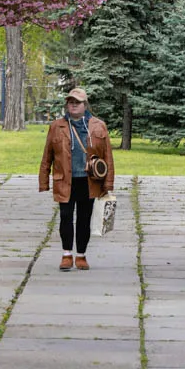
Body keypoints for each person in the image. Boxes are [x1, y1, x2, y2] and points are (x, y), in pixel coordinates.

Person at [38, 87, 116, 272]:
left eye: (77, 102)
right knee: (65, 217)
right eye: (70, 102)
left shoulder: (98, 126)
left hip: (89, 181)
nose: (73, 105)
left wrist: (108, 183)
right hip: (64, 179)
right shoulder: (57, 126)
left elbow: (108, 156)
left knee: (84, 218)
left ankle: (81, 255)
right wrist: (43, 181)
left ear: (85, 104)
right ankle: (66, 254)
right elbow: (47, 155)